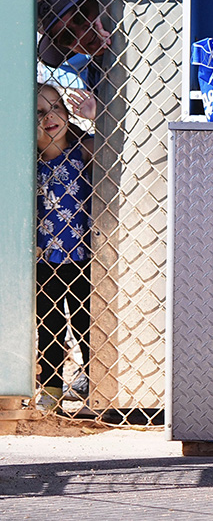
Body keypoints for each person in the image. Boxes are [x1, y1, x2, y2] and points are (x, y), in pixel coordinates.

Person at [36, 83, 96, 410]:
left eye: (56, 107)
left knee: (87, 319)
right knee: (50, 323)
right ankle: (51, 388)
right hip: (44, 259)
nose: (50, 117)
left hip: (83, 256)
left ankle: (93, 376)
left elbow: (113, 147)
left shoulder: (81, 149)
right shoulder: (28, 161)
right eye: (40, 112)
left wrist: (95, 117)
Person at [37, 0, 111, 91]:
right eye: (67, 37)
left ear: (94, 1)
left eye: (80, 16)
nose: (82, 33)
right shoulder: (95, 79)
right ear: (71, 49)